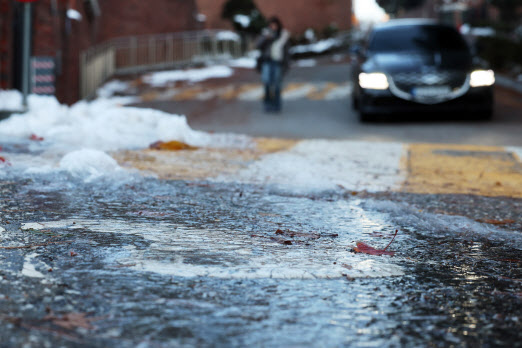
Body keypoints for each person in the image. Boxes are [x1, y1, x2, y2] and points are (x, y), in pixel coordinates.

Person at [256, 17, 290, 112]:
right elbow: (258, 46)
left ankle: (277, 105)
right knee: (266, 83)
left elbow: (286, 51)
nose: (273, 27)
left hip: (277, 62)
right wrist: (266, 39)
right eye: (271, 25)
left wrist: (286, 65)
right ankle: (267, 104)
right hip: (267, 61)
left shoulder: (283, 35)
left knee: (277, 85)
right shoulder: (265, 34)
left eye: (275, 25)